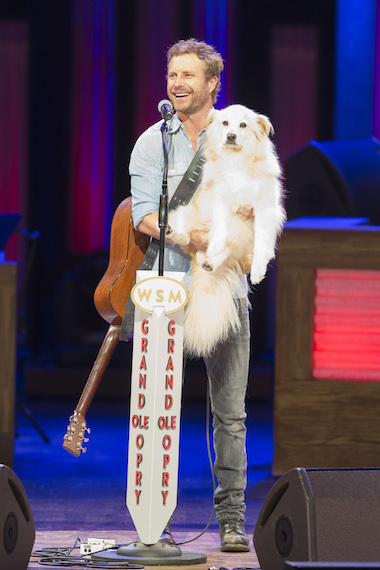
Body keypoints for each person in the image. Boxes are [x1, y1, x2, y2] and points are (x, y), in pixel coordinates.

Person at [129, 38, 251, 553]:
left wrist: (247, 219)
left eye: (187, 76)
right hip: (169, 286)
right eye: (171, 75)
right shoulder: (151, 142)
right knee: (161, 408)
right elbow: (143, 216)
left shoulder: (238, 132)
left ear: (212, 84)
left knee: (231, 412)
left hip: (224, 285)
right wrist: (188, 237)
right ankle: (160, 520)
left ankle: (231, 521)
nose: (177, 84)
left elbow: (260, 195)